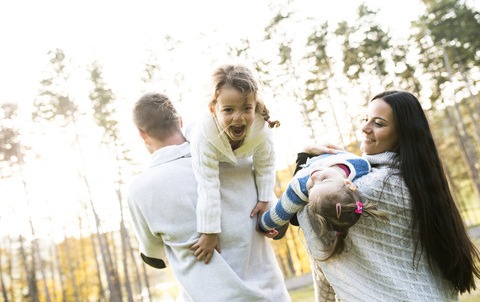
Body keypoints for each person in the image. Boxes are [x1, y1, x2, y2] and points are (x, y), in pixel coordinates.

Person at [294, 90, 480, 301]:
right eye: (366, 119)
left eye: (378, 123)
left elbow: (309, 206)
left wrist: (303, 157)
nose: (365, 127)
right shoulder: (415, 179)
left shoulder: (378, 185)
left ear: (403, 134)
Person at [128, 92, 291, 302]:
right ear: (179, 122)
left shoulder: (140, 191)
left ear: (142, 134)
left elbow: (155, 257)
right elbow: (278, 224)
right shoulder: (236, 158)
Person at [189, 64, 281, 262]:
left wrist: (264, 200)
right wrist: (209, 231)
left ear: (255, 106)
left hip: (240, 149)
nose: (238, 117)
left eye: (246, 108)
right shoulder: (203, 138)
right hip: (201, 143)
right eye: (228, 110)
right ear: (213, 109)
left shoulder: (261, 130)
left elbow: (265, 166)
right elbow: (208, 185)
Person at [259, 149, 387, 261]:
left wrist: (263, 225)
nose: (314, 177)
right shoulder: (361, 166)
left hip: (308, 157)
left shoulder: (299, 187)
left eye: (311, 188)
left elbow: (278, 215)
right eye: (324, 180)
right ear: (348, 184)